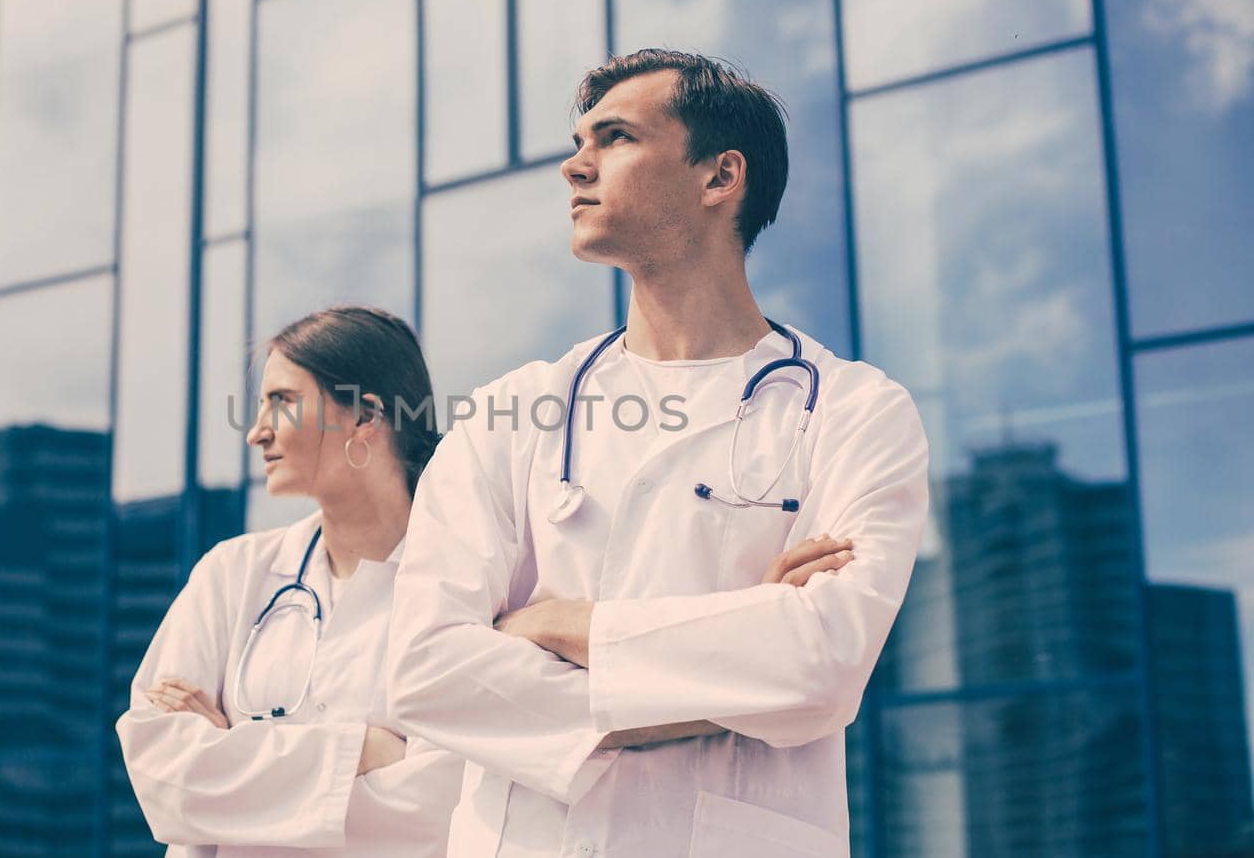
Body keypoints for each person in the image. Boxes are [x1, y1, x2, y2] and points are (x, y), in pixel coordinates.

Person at [383, 49, 931, 857]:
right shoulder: (514, 411)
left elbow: (820, 664)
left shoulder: (854, 412)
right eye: (580, 142)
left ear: (720, 178)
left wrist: (560, 623)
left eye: (615, 138)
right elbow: (426, 672)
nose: (575, 167)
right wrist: (730, 674)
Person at [117, 306, 462, 857]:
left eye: (281, 402)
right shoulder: (231, 575)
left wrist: (233, 746)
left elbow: (449, 803)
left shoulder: (462, 580)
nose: (256, 432)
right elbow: (165, 777)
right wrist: (365, 753)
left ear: (365, 417)